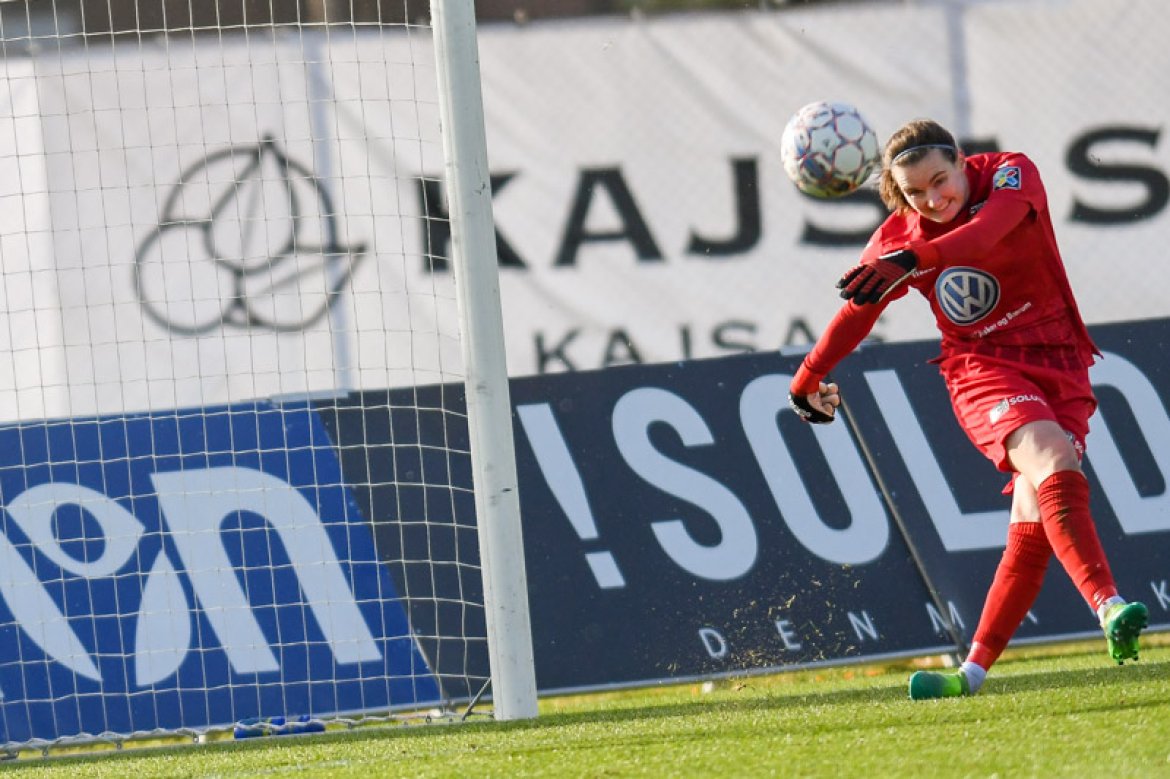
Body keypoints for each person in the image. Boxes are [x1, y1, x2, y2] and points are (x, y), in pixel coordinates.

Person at [786, 118, 1148, 700]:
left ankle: (970, 674)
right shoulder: (899, 239)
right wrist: (807, 377)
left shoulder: (1011, 173)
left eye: (940, 181)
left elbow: (986, 234)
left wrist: (915, 258)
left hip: (1062, 363)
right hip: (983, 368)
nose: (933, 199)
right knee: (1053, 459)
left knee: (1033, 522)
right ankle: (1109, 606)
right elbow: (858, 311)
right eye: (915, 193)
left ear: (960, 160)